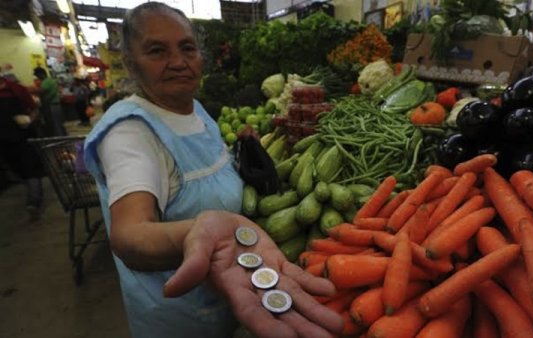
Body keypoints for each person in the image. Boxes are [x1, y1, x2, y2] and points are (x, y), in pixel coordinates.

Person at [83, 3, 342, 338]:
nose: (178, 62)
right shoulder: (130, 133)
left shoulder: (195, 109)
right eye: (157, 50)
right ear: (131, 63)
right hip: (182, 317)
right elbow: (130, 235)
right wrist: (200, 233)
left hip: (233, 290)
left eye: (187, 48)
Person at [0, 73, 44, 221]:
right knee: (17, 168)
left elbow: (33, 108)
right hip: (4, 141)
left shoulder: (17, 89)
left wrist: (28, 120)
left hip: (24, 136)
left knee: (30, 167)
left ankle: (34, 201)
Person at [31, 67, 66, 136]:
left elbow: (41, 91)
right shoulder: (50, 80)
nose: (37, 77)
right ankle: (62, 137)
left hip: (52, 106)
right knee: (58, 123)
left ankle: (60, 140)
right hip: (55, 105)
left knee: (55, 124)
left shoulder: (46, 82)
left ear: (41, 74)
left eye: (37, 75)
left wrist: (28, 90)